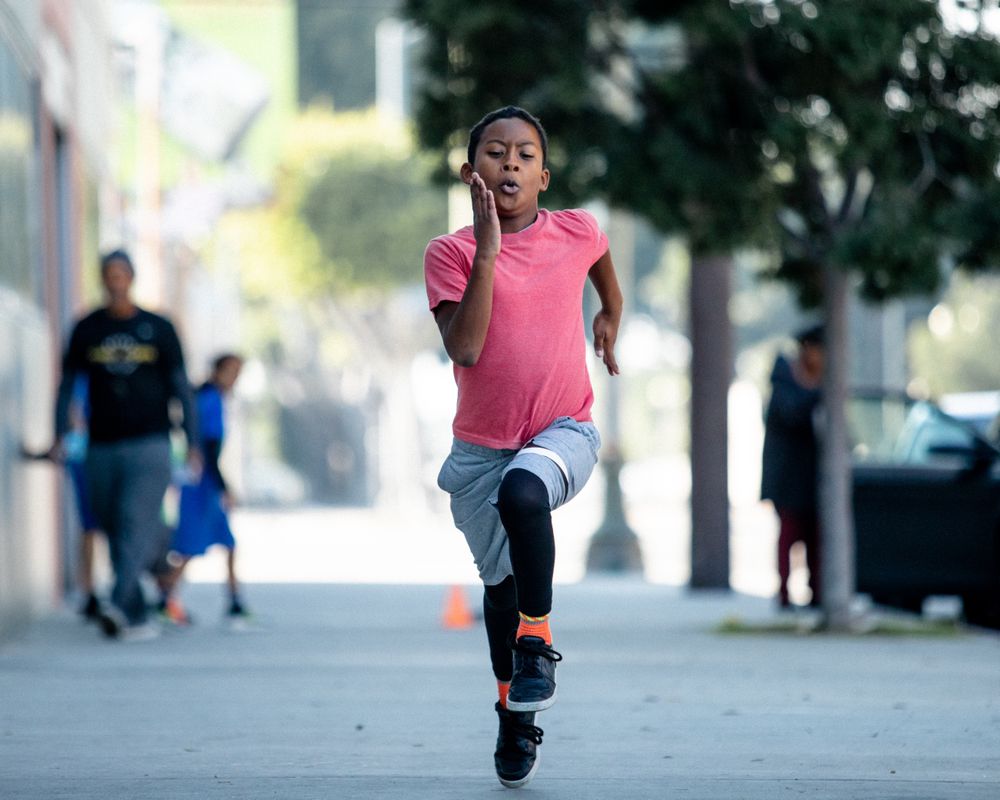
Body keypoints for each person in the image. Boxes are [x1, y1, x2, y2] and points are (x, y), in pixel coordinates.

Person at [424, 106, 623, 788]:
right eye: (494, 153)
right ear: (469, 173)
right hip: (479, 453)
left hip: (563, 429)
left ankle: (538, 640)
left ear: (544, 174)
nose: (509, 162)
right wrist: (487, 252)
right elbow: (467, 346)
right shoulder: (449, 254)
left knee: (525, 492)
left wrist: (610, 313)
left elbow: (600, 256)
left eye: (524, 153)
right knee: (499, 588)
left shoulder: (575, 230)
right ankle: (513, 711)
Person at [52, 249, 200, 641]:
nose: (115, 282)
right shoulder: (87, 328)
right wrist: (58, 434)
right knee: (112, 523)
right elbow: (67, 386)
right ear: (102, 280)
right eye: (108, 276)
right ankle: (134, 614)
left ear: (131, 279)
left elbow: (181, 388)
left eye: (121, 275)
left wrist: (193, 440)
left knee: (135, 519)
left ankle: (115, 603)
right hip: (101, 444)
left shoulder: (159, 327)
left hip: (150, 443)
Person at [160, 353, 248, 625]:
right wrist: (224, 486)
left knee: (226, 543)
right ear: (217, 370)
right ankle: (163, 599)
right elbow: (208, 448)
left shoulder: (212, 398)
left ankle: (234, 602)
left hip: (203, 480)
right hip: (201, 482)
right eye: (231, 371)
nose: (235, 378)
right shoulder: (208, 399)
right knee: (190, 545)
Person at [760, 324, 825, 609]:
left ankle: (817, 593)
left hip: (814, 477)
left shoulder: (824, 382)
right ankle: (784, 594)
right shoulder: (785, 379)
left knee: (815, 539)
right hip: (788, 478)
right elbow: (790, 414)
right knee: (788, 536)